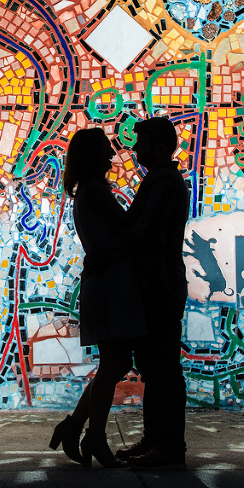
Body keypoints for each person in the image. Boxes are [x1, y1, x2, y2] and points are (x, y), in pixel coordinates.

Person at [49, 128, 147, 468]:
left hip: (104, 281)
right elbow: (130, 226)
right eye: (106, 150)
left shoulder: (85, 191)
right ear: (94, 156)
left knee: (115, 363)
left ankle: (76, 426)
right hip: (111, 283)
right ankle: (93, 436)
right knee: (114, 364)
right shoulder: (96, 191)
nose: (112, 155)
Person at [111, 116, 190, 469]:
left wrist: (103, 253)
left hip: (160, 285)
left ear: (159, 147)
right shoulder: (163, 179)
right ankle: (156, 440)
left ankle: (169, 446)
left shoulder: (162, 181)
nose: (136, 150)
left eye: (142, 145)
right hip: (159, 284)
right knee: (155, 367)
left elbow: (139, 229)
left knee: (163, 369)